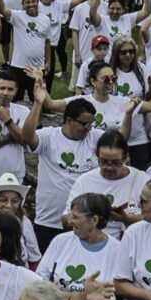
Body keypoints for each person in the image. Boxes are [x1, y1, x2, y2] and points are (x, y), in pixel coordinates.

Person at [21, 86, 101, 251]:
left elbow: (120, 142)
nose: (89, 128)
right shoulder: (49, 136)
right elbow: (27, 137)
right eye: (85, 124)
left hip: (84, 224)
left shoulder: (95, 137)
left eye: (91, 124)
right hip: (49, 221)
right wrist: (37, 103)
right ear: (69, 120)